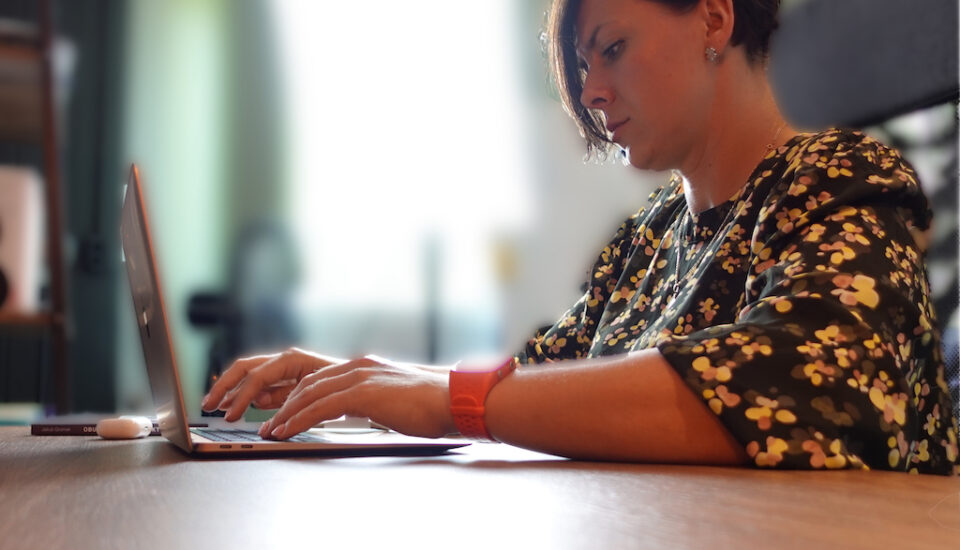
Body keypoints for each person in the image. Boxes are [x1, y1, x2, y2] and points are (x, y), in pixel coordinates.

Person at [201, 0, 959, 474]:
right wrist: (366, 380)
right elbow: (537, 384)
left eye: (612, 48)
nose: (592, 92)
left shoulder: (841, 179)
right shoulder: (649, 237)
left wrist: (445, 398)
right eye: (584, 64)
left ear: (713, 18)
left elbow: (800, 385)